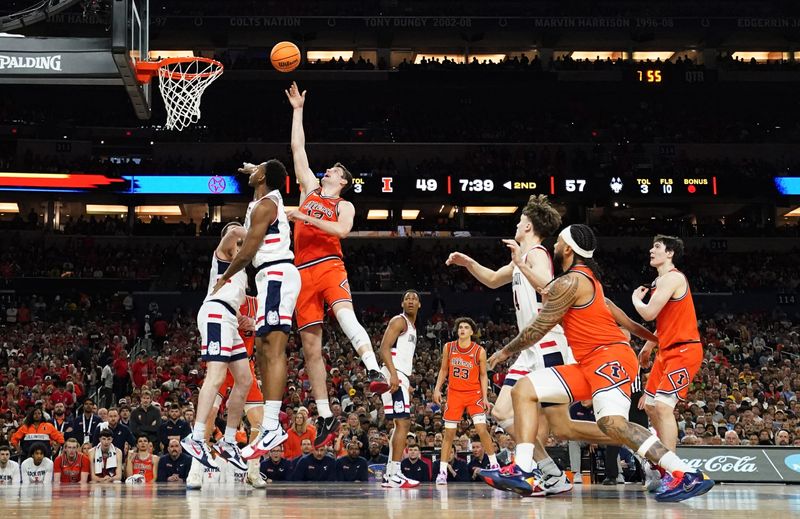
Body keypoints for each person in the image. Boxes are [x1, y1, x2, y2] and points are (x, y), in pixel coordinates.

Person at [482, 224, 714, 502]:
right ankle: (522, 470)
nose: (554, 247)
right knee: (524, 389)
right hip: (587, 363)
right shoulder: (582, 281)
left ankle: (686, 473)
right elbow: (622, 318)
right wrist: (652, 338)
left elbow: (539, 326)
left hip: (609, 358)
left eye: (557, 244)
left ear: (567, 249)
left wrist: (503, 353)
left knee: (613, 423)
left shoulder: (573, 282)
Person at [285, 81, 388, 448]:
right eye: (326, 169)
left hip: (329, 265)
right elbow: (298, 148)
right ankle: (326, 414)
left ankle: (373, 369)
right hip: (301, 273)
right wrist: (298, 111)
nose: (326, 171)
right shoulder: (309, 189)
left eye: (333, 171)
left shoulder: (343, 205)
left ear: (342, 182)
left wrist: (306, 218)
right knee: (311, 348)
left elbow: (342, 231)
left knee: (345, 317)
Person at [445, 195, 572, 493]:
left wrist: (520, 263)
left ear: (527, 226)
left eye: (519, 221)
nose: (516, 225)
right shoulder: (520, 261)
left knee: (557, 424)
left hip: (547, 345)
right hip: (528, 350)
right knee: (501, 413)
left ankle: (533, 471)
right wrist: (468, 262)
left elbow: (546, 286)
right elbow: (490, 279)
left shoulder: (537, 254)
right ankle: (549, 473)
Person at [211, 159, 300, 465]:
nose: (254, 170)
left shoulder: (265, 205)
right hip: (269, 279)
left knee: (273, 349)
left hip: (277, 274)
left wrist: (224, 277)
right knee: (262, 348)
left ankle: (272, 425)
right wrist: (259, 171)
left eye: (259, 168)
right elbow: (265, 180)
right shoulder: (261, 201)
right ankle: (271, 426)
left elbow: (247, 251)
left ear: (265, 177)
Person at [632, 235, 705, 489]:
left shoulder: (674, 278)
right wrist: (649, 346)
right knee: (650, 406)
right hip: (666, 350)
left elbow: (649, 313)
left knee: (663, 407)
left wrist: (635, 301)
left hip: (684, 351)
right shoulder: (658, 282)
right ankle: (660, 464)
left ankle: (673, 472)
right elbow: (664, 322)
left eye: (657, 247)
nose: (651, 250)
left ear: (670, 253)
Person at [182, 221, 252, 473]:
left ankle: (229, 441)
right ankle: (197, 437)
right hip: (215, 313)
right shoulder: (222, 254)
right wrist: (254, 233)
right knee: (216, 375)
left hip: (229, 318)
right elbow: (233, 231)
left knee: (244, 380)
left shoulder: (242, 267)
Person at [209, 294, 267, 487]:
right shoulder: (219, 299)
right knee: (209, 415)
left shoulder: (256, 303)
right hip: (222, 362)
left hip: (245, 364)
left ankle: (253, 470)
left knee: (260, 423)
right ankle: (197, 469)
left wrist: (255, 324)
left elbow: (270, 330)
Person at [433, 317, 498, 485]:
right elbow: (444, 370)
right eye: (460, 327)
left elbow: (484, 375)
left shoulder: (479, 351)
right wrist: (437, 389)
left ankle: (495, 466)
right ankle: (442, 472)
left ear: (471, 331)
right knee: (449, 434)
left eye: (466, 327)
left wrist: (485, 397)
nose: (462, 329)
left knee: (482, 429)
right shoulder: (449, 347)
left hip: (473, 394)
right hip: (454, 394)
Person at [378, 290, 422, 488]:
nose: (411, 301)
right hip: (393, 374)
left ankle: (390, 474)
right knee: (403, 423)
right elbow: (384, 348)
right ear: (402, 303)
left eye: (414, 299)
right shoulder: (399, 321)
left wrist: (405, 380)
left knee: (400, 424)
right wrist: (394, 375)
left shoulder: (412, 326)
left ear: (419, 305)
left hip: (400, 375)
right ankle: (395, 473)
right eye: (407, 298)